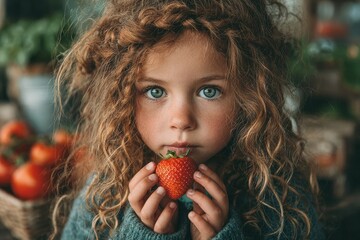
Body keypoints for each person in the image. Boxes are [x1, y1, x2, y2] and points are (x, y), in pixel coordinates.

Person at [51, 0, 325, 239]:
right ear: (121, 98)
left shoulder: (279, 199)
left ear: (249, 96)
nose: (181, 120)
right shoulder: (104, 195)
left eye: (209, 91)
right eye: (154, 91)